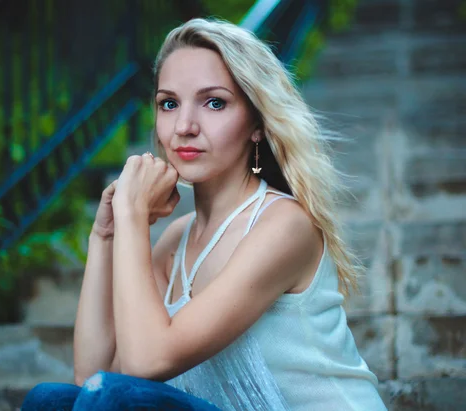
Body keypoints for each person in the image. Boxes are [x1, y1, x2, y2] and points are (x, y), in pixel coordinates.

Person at [22, 18, 387, 410]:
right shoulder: (178, 240)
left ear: (257, 124)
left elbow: (147, 363)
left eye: (214, 102)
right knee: (51, 401)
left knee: (115, 398)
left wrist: (133, 214)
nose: (184, 126)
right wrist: (105, 235)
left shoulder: (285, 225)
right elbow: (92, 373)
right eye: (169, 104)